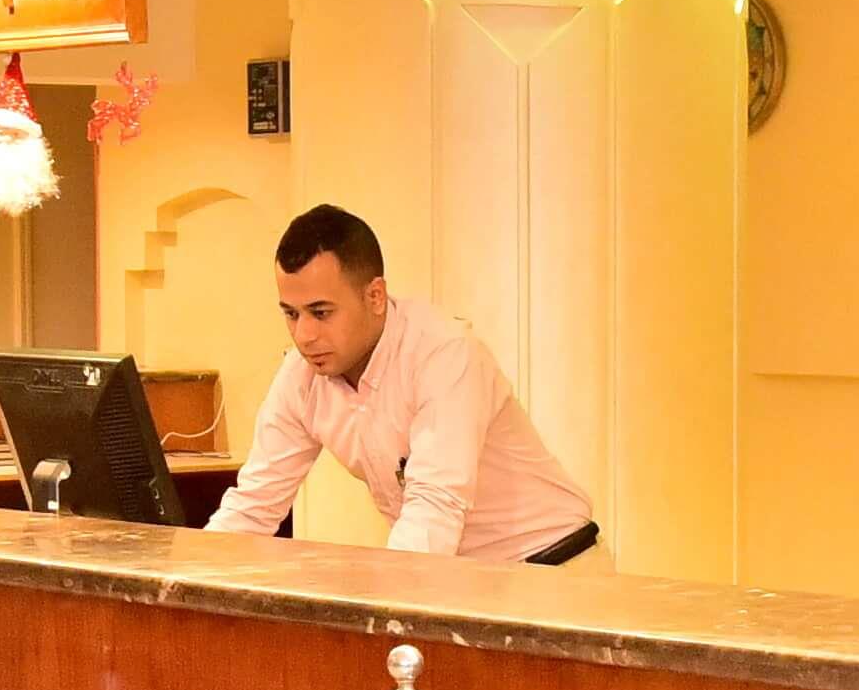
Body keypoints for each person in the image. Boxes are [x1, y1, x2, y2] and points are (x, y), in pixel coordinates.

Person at [204, 204, 601, 566]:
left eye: (321, 312)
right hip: (464, 577)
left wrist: (385, 607)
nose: (304, 335)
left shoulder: (444, 353)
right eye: (291, 314)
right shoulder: (300, 375)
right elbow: (252, 505)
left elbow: (434, 506)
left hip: (555, 568)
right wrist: (186, 579)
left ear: (375, 296)